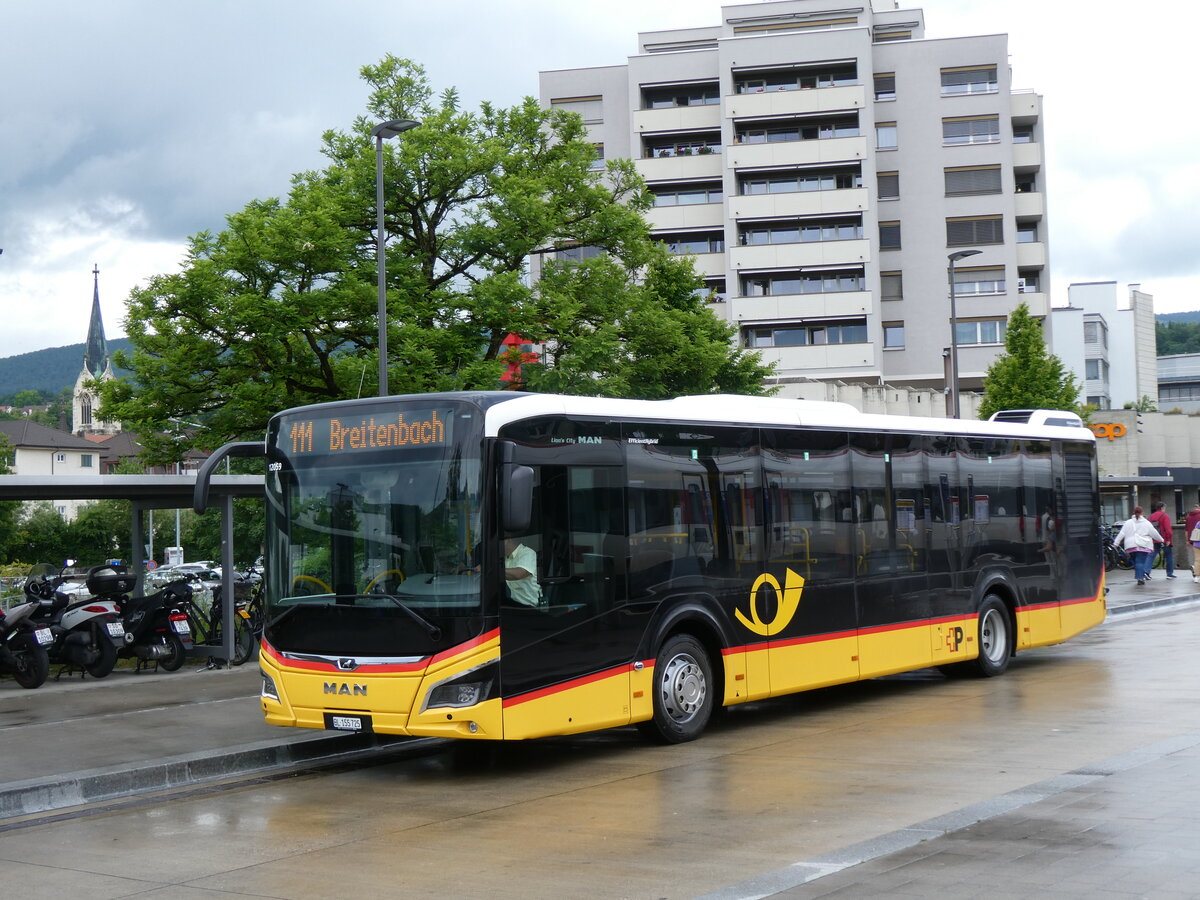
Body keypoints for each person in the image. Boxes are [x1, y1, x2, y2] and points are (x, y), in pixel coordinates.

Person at [1114, 506, 1162, 586]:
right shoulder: (1146, 523)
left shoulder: (1128, 522)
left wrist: (1116, 543)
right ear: (1142, 513)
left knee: (1137, 562)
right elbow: (1154, 533)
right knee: (1140, 562)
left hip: (1130, 546)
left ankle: (1140, 575)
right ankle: (1140, 578)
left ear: (1134, 513)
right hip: (1143, 545)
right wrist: (1161, 540)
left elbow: (1122, 533)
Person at [504, 537, 542, 607]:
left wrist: (491, 568)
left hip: (530, 607)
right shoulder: (504, 557)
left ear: (509, 539)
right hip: (512, 604)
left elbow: (519, 574)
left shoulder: (527, 552)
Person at [1147, 501, 1176, 579]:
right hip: (1164, 539)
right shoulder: (1165, 516)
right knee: (1168, 555)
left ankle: (1146, 571)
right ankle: (1169, 574)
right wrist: (1168, 539)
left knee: (1151, 555)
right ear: (1163, 507)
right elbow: (1168, 530)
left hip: (1153, 539)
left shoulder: (1151, 516)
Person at [1187, 502, 1200, 584]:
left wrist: (1188, 540)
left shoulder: (1198, 522)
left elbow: (1191, 530)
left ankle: (1196, 577)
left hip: (1196, 543)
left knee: (1198, 560)